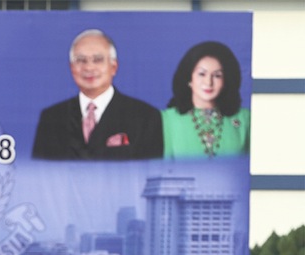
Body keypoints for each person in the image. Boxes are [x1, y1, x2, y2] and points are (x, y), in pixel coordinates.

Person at [32, 29, 163, 160]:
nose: (89, 68)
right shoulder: (51, 117)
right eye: (81, 60)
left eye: (98, 60)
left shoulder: (145, 116)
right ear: (71, 68)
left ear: (114, 67)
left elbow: (151, 172)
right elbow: (38, 174)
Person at [162, 41, 250, 159]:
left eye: (217, 75)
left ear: (225, 81)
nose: (208, 82)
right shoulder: (168, 119)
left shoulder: (244, 118)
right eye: (202, 74)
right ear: (189, 78)